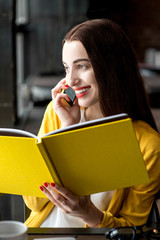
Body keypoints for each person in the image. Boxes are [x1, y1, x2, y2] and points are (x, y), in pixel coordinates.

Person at [23, 19, 160, 228]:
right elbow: (33, 202)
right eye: (67, 68)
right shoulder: (57, 113)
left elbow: (132, 228)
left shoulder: (148, 146)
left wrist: (90, 215)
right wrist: (66, 129)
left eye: (82, 66)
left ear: (111, 67)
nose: (71, 81)